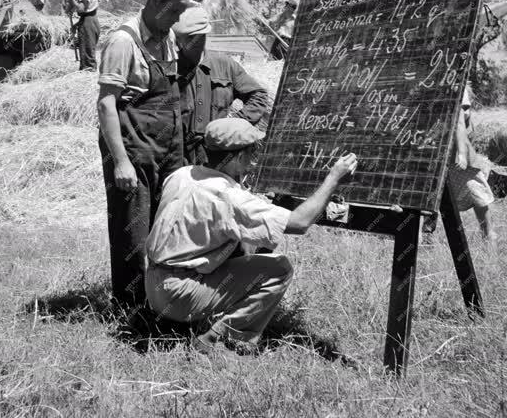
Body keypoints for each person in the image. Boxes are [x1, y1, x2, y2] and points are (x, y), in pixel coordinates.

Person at [145, 117, 358, 357]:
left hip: (153, 284)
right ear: (236, 158)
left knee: (244, 243)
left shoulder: (183, 174)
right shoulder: (228, 197)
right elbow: (300, 223)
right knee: (279, 269)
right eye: (250, 153)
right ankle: (218, 340)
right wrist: (333, 178)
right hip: (181, 294)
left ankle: (182, 323)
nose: (253, 160)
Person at [97, 0, 192, 308]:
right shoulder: (123, 42)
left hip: (166, 148)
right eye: (175, 11)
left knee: (167, 223)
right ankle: (130, 309)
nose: (178, 19)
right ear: (154, 2)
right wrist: (121, 161)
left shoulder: (166, 38)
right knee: (132, 233)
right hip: (133, 148)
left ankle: (163, 298)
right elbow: (107, 104)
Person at [172, 5, 270, 166]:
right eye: (186, 38)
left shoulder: (225, 65)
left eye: (197, 37)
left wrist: (234, 124)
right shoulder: (169, 68)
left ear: (205, 35)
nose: (192, 43)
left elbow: (258, 95)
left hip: (217, 158)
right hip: (179, 156)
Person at [446, 85, 496, 241]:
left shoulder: (456, 86)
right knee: (432, 205)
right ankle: (427, 246)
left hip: (458, 158)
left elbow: (460, 123)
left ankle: (490, 253)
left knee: (478, 199)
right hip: (436, 157)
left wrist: (461, 153)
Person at [64, 0, 100, 70]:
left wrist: (72, 1)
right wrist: (76, 25)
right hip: (88, 20)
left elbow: (81, 9)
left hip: (88, 23)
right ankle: (86, 70)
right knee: (86, 50)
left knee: (87, 51)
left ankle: (89, 71)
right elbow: (86, 13)